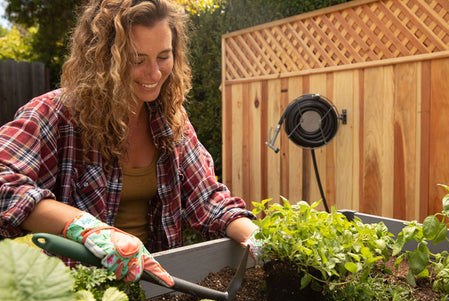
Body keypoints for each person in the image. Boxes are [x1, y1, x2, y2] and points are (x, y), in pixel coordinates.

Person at [0, 0, 261, 285]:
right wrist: (89, 229)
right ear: (102, 59)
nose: (154, 73)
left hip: (156, 288)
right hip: (81, 296)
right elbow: (5, 183)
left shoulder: (171, 120)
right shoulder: (55, 114)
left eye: (163, 56)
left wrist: (254, 236)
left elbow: (207, 199)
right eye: (137, 60)